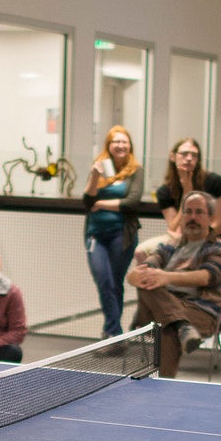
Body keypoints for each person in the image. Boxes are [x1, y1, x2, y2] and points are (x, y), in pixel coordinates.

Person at [129, 191, 221, 378]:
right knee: (147, 282)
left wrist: (166, 277)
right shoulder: (170, 245)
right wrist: (133, 277)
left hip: (199, 312)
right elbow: (145, 268)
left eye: (198, 212)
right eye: (188, 212)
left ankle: (162, 387)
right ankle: (182, 327)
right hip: (164, 309)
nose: (192, 217)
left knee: (166, 328)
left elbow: (207, 276)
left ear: (210, 217)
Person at [82, 125, 144, 338]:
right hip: (95, 235)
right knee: (103, 280)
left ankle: (111, 334)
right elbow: (87, 201)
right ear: (109, 145)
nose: (120, 145)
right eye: (116, 141)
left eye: (124, 142)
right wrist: (93, 177)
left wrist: (101, 205)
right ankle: (115, 334)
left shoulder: (136, 170)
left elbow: (132, 202)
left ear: (130, 146)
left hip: (121, 235)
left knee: (115, 283)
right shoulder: (100, 167)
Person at [153, 137, 221, 241]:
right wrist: (186, 193)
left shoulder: (214, 181)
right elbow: (173, 228)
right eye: (184, 154)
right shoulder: (164, 190)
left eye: (194, 155)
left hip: (212, 239)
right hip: (181, 240)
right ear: (173, 156)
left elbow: (219, 225)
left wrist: (195, 240)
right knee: (143, 251)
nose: (189, 158)